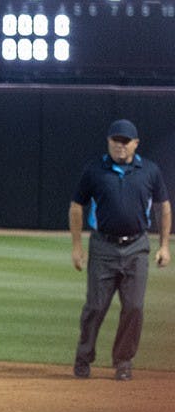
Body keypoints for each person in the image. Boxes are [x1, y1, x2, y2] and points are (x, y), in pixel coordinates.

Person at [70, 118, 171, 381]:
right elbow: (76, 206)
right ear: (109, 142)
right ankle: (83, 358)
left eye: (126, 141)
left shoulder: (149, 171)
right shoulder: (95, 170)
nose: (121, 146)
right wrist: (77, 247)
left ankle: (123, 361)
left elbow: (164, 206)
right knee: (95, 306)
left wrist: (164, 246)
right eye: (116, 140)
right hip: (103, 246)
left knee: (134, 307)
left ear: (136, 144)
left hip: (137, 246)